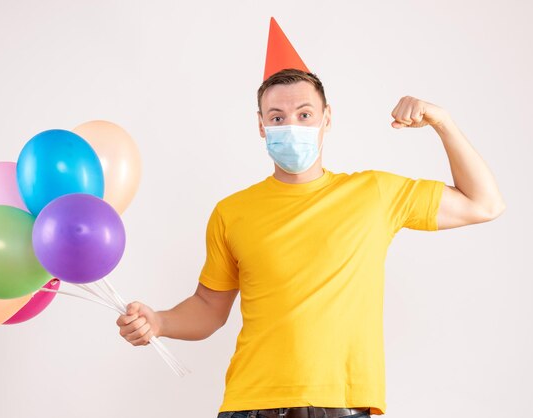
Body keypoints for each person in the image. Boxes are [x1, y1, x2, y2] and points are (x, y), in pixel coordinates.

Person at [115, 17, 506, 418]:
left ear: (327, 118)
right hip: (250, 405)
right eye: (278, 117)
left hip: (343, 403)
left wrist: (443, 123)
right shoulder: (231, 212)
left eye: (304, 114)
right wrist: (158, 322)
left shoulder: (375, 193)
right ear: (261, 126)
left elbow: (484, 203)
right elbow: (209, 307)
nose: (291, 125)